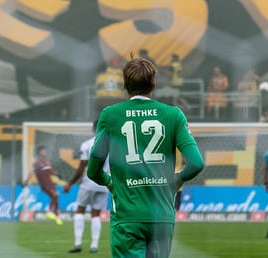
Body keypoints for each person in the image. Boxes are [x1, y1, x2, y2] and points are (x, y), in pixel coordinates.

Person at [87, 56, 204, 258]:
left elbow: (93, 169)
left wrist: (110, 183)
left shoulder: (110, 115)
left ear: (125, 84)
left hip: (127, 213)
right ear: (153, 84)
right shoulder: (174, 115)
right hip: (161, 214)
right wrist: (175, 181)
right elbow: (196, 163)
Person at [63, 121, 109, 254]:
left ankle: (78, 244)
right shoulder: (111, 145)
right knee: (96, 214)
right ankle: (94, 246)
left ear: (93, 129)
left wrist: (70, 183)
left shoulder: (87, 144)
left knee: (80, 210)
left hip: (88, 182)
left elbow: (82, 166)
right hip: (104, 183)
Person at [25, 145, 63, 225]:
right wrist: (26, 181)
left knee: (56, 196)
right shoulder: (37, 163)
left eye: (45, 151)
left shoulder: (47, 162)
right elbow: (31, 172)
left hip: (50, 183)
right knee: (55, 195)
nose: (45, 152)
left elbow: (50, 171)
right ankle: (49, 211)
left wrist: (57, 175)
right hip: (44, 184)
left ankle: (56, 215)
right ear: (39, 152)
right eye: (43, 151)